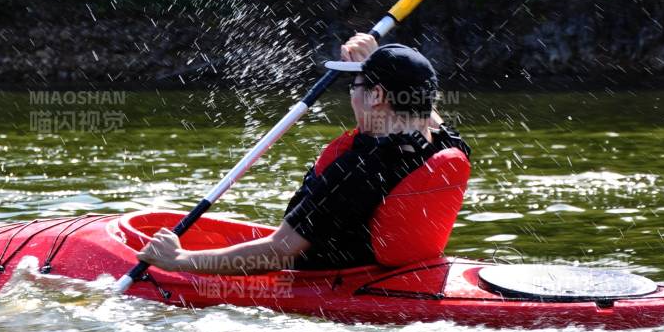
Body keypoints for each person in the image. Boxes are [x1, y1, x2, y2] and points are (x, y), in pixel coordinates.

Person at [138, 34, 471, 275]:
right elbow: (420, 105)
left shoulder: (356, 170)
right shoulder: (446, 144)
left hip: (332, 280)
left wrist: (180, 260)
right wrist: (379, 61)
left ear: (377, 96)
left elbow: (278, 252)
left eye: (355, 85)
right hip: (403, 273)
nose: (351, 95)